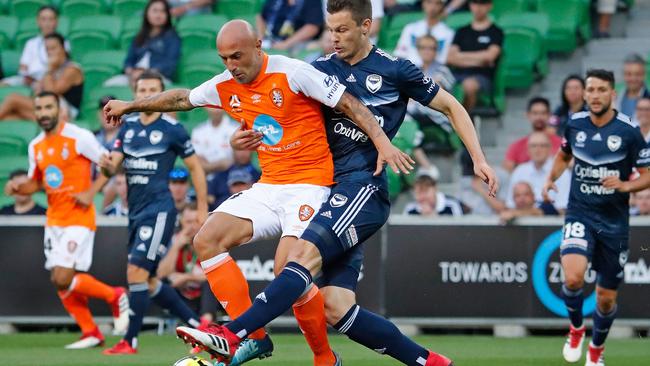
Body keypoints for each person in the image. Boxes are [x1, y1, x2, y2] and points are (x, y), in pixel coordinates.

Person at [173, 3, 497, 366]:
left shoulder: (395, 69)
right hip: (325, 189)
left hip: (361, 187)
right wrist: (242, 137)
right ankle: (432, 363)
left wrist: (479, 158)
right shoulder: (319, 69)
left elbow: (452, 106)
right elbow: (280, 115)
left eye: (342, 30)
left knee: (297, 262)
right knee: (335, 307)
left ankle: (234, 335)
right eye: (330, 29)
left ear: (366, 26)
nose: (334, 38)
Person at [103, 18, 414, 366]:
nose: (231, 66)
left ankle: (325, 358)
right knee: (206, 239)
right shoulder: (225, 84)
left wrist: (383, 143)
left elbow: (351, 104)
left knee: (289, 268)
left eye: (237, 56)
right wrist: (130, 105)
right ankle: (253, 338)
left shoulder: (293, 72)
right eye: (224, 59)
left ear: (259, 45)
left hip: (311, 186)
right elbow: (181, 99)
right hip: (269, 186)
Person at [3, 92, 130, 348]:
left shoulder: (78, 136)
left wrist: (91, 192)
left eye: (49, 106)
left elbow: (110, 165)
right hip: (54, 220)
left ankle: (115, 296)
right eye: (39, 108)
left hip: (78, 218)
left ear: (59, 109)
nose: (43, 112)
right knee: (59, 280)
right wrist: (18, 188)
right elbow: (37, 183)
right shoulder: (35, 146)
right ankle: (91, 331)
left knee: (62, 277)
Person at [542, 69, 650, 366]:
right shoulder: (574, 124)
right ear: (585, 93)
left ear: (612, 94)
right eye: (591, 89)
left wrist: (627, 185)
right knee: (574, 277)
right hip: (581, 212)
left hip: (615, 222)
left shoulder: (629, 130)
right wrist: (551, 178)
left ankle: (597, 350)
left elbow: (648, 174)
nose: (595, 95)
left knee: (605, 298)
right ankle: (576, 328)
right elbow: (564, 155)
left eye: (602, 90)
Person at [101, 70, 208, 355]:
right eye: (142, 89)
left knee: (135, 272)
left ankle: (130, 341)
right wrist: (103, 166)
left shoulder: (173, 129)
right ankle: (199, 327)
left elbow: (196, 167)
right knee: (147, 281)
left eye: (153, 89)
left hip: (159, 211)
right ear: (134, 94)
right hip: (135, 212)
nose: (147, 94)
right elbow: (112, 166)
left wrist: (201, 208)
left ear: (162, 94)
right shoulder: (128, 128)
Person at [158, 202, 220, 321]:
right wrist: (176, 247)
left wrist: (187, 277)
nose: (192, 226)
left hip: (204, 297)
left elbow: (216, 275)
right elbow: (162, 274)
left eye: (196, 221)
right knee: (163, 283)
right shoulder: (174, 240)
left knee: (211, 284)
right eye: (188, 222)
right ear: (181, 222)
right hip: (182, 295)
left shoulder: (211, 241)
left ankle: (206, 322)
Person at [0, 33, 83, 121]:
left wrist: (49, 70)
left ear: (63, 49)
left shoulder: (72, 69)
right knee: (10, 116)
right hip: (47, 109)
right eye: (47, 50)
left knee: (13, 99)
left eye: (53, 48)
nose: (50, 53)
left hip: (64, 113)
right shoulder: (53, 69)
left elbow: (51, 94)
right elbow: (40, 93)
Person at [107, 0, 181, 87]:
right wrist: (131, 71)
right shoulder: (139, 37)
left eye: (163, 11)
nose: (158, 15)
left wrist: (145, 73)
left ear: (168, 15)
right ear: (147, 13)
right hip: (133, 76)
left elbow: (170, 64)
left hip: (158, 77)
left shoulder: (172, 38)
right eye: (155, 11)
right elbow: (129, 61)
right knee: (110, 84)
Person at [446, 0, 503, 112]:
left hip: (482, 76)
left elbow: (490, 57)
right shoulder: (462, 31)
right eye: (475, 3)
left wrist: (461, 56)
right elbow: (450, 58)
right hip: (458, 73)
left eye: (482, 3)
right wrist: (480, 60)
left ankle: (464, 121)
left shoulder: (496, 31)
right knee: (436, 82)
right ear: (470, 5)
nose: (478, 7)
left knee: (469, 85)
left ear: (489, 6)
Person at [505, 131, 570, 211]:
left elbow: (562, 209)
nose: (538, 149)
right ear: (527, 150)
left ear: (550, 149)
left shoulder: (562, 172)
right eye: (533, 146)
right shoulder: (519, 171)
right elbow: (510, 205)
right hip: (522, 221)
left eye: (542, 146)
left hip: (552, 221)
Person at [0, 6, 61, 87]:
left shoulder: (63, 44)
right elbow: (23, 67)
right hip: (28, 80)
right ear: (38, 21)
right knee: (3, 83)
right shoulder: (31, 43)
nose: (47, 23)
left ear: (56, 21)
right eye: (43, 19)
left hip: (50, 80)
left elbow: (61, 69)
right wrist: (27, 75)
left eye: (51, 19)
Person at [503, 97, 562, 172]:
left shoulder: (561, 144)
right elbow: (508, 167)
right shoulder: (517, 146)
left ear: (549, 115)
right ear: (528, 115)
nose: (539, 117)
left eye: (543, 113)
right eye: (535, 113)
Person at [394, 0, 454, 67]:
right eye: (429, 2)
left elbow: (442, 59)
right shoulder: (410, 28)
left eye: (437, 3)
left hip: (433, 72)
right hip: (409, 70)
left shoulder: (448, 33)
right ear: (423, 4)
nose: (432, 7)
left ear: (442, 6)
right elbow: (400, 54)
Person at [257, 0, 324, 51]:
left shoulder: (312, 1)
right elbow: (261, 16)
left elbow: (312, 27)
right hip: (271, 40)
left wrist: (286, 44)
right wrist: (261, 37)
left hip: (299, 44)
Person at [191, 108, 238, 176]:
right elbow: (197, 163)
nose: (215, 110)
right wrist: (220, 165)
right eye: (211, 106)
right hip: (207, 178)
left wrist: (207, 166)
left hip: (232, 177)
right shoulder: (198, 131)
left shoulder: (236, 128)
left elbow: (241, 159)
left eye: (217, 105)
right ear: (206, 107)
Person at [616, 53, 649, 121]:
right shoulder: (616, 98)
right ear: (623, 75)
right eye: (629, 74)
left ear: (644, 75)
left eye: (637, 74)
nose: (633, 78)